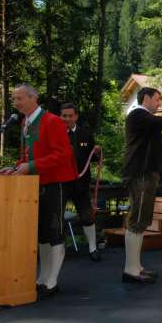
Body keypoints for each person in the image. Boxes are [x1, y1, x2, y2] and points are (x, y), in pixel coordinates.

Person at [0, 84, 78, 298]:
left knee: (54, 229)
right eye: (14, 99)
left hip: (55, 182)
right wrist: (15, 167)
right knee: (41, 231)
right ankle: (43, 277)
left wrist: (30, 167)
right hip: (35, 184)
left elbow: (63, 154)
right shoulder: (25, 122)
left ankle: (53, 281)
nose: (15, 102)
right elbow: (28, 157)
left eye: (19, 98)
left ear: (33, 98)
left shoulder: (52, 121)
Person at [121, 87, 162, 284]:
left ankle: (136, 266)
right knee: (138, 220)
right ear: (146, 98)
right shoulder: (137, 115)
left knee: (142, 220)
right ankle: (130, 269)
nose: (159, 104)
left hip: (148, 174)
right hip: (140, 173)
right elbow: (160, 122)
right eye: (157, 100)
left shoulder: (148, 123)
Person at [60, 103, 102, 261]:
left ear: (76, 116)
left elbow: (94, 157)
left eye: (70, 115)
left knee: (87, 216)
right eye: (64, 116)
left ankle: (92, 248)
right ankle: (60, 250)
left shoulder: (86, 134)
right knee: (57, 218)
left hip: (81, 183)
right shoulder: (55, 134)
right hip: (60, 183)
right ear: (60, 116)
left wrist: (97, 152)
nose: (67, 119)